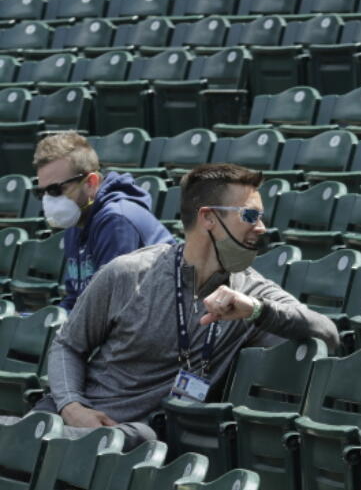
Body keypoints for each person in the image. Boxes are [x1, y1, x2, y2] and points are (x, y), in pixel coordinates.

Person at [42, 164, 341, 448]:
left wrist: (256, 310)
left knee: (140, 438)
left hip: (131, 444)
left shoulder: (251, 290)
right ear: (208, 217)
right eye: (250, 216)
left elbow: (327, 333)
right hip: (71, 421)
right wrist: (71, 406)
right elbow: (68, 346)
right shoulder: (127, 273)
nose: (262, 228)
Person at [32, 133, 175, 311]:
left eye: (55, 190)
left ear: (91, 183)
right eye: (41, 192)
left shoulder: (116, 221)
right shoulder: (76, 222)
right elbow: (76, 300)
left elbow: (115, 309)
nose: (48, 200)